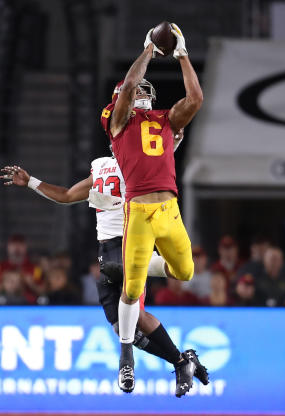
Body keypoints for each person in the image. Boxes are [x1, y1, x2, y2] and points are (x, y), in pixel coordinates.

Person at [1, 118, 207, 397]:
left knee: (130, 299)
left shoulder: (140, 163)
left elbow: (160, 161)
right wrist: (31, 182)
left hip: (133, 241)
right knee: (126, 327)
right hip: (106, 248)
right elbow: (67, 194)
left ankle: (135, 361)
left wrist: (176, 141)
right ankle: (183, 360)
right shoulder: (101, 166)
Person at [99, 22, 203, 396]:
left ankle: (132, 265)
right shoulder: (119, 123)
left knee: (185, 271)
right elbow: (128, 87)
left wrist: (182, 54)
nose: (141, 92)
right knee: (130, 291)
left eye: (147, 89)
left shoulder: (164, 121)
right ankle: (126, 360)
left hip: (170, 209)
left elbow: (195, 100)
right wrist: (148, 50)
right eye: (135, 90)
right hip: (140, 212)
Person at [0, 234, 43, 303]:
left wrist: (31, 284)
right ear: (8, 247)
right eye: (14, 245)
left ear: (25, 247)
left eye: (20, 245)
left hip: (28, 305)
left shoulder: (35, 269)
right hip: (3, 303)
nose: (17, 248)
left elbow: (43, 292)